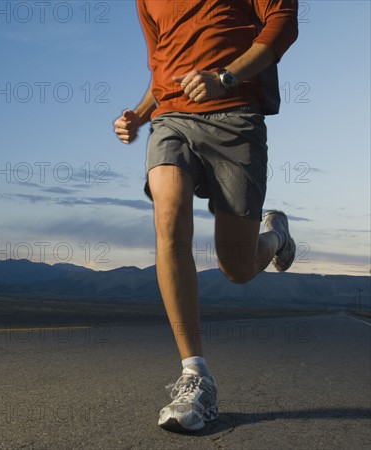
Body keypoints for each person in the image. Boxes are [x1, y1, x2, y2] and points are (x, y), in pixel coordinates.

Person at [113, 0, 299, 432]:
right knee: (169, 216)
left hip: (235, 115)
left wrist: (225, 77)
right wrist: (139, 115)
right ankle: (195, 374)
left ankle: (274, 238)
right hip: (171, 119)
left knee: (236, 266)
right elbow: (163, 66)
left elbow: (283, 24)